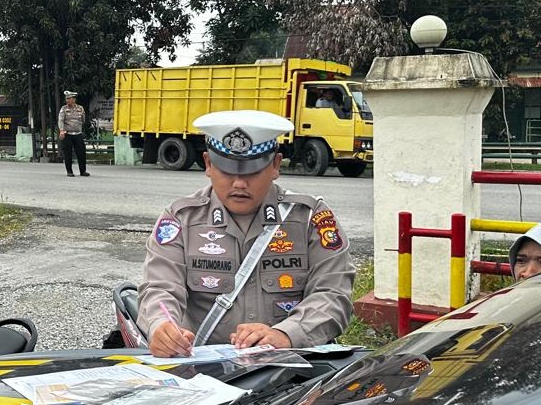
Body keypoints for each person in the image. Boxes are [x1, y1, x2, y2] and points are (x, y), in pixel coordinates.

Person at [139, 110, 355, 357]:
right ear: (208, 164)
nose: (239, 183)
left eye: (252, 172)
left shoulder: (309, 218)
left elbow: (333, 294)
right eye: (227, 171)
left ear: (275, 166)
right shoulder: (182, 218)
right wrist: (161, 327)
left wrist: (288, 334)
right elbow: (160, 287)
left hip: (290, 370)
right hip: (204, 373)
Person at [58, 90, 89, 177]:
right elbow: (61, 120)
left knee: (81, 153)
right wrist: (62, 131)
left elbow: (83, 120)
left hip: (78, 134)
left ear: (74, 99)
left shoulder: (80, 108)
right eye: (66, 99)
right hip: (67, 134)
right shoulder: (64, 109)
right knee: (68, 153)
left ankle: (83, 171)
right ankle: (69, 171)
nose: (67, 100)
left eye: (69, 98)